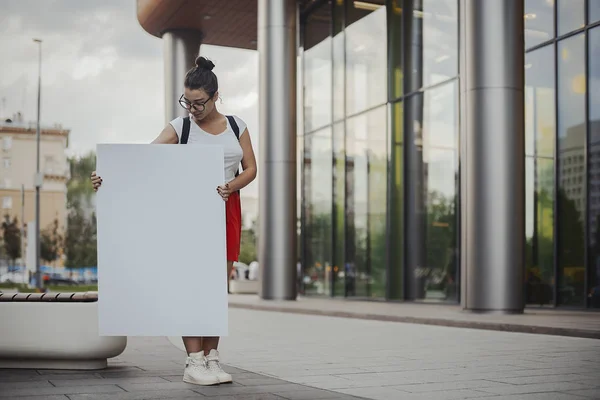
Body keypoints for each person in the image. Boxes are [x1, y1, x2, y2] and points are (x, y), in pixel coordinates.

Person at [90, 56, 257, 386]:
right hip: (190, 213)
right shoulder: (180, 127)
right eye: (188, 102)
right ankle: (193, 361)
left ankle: (212, 359)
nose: (193, 109)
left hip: (227, 208)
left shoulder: (237, 126)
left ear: (215, 95)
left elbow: (251, 168)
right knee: (192, 287)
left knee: (215, 289)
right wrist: (107, 175)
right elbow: (142, 160)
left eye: (199, 103)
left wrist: (231, 186)